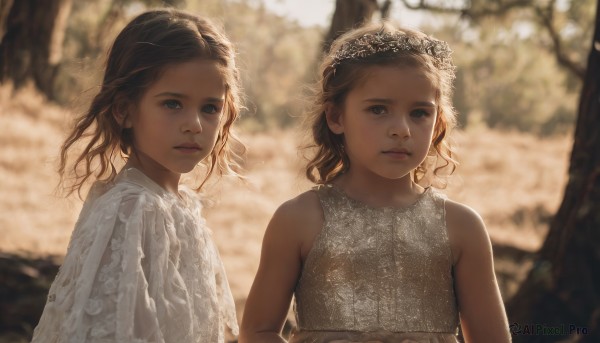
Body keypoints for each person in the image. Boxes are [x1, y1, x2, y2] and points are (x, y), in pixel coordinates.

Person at [239, 22, 511, 343]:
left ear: (438, 122)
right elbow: (257, 331)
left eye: (420, 113)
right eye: (378, 109)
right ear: (336, 117)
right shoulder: (299, 219)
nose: (401, 130)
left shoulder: (461, 226)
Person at [31, 8, 243, 343]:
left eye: (210, 108)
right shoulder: (134, 209)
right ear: (124, 110)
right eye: (173, 104)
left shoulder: (179, 203)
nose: (195, 124)